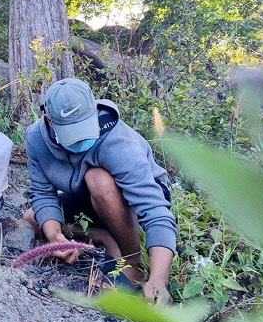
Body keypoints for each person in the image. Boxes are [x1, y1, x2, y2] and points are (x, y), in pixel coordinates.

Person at [22, 78, 176, 303]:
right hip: (85, 198)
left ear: (93, 108)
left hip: (127, 199)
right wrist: (55, 237)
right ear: (49, 121)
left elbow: (155, 211)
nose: (81, 140)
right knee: (33, 218)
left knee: (99, 179)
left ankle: (132, 263)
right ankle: (103, 237)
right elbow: (43, 194)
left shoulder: (117, 141)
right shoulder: (35, 138)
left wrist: (158, 280)